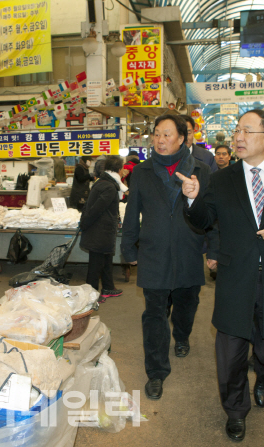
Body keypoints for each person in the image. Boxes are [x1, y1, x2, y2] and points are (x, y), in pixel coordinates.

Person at [177, 109, 264, 442]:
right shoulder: (221, 178)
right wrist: (194, 198)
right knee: (230, 355)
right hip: (234, 278)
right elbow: (203, 220)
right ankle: (235, 411)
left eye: (246, 131)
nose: (238, 137)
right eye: (236, 130)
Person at [121, 114, 214, 401]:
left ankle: (182, 335)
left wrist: (213, 249)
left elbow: (212, 214)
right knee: (154, 314)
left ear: (183, 138)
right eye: (156, 134)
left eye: (167, 135)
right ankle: (157, 372)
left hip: (188, 247)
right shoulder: (143, 171)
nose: (160, 140)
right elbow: (132, 211)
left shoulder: (200, 169)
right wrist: (128, 248)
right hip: (154, 250)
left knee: (188, 302)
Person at [80, 156, 126, 303]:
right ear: (119, 169)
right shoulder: (109, 187)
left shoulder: (104, 182)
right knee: (95, 265)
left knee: (106, 259)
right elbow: (95, 209)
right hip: (99, 230)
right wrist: (85, 224)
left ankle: (108, 287)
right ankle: (91, 296)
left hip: (101, 229)